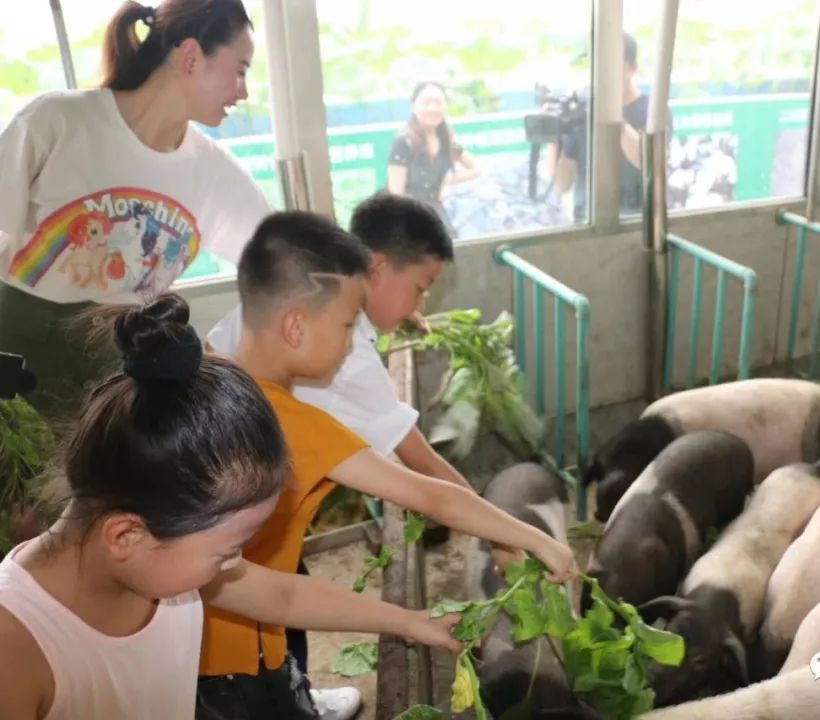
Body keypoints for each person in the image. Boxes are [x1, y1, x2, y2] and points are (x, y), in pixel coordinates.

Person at [0, 294, 462, 720]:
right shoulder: (17, 654)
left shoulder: (157, 561)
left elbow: (282, 595)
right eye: (226, 552)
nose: (235, 564)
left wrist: (413, 623)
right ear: (127, 535)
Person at [197, 209, 577, 719]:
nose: (356, 339)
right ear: (296, 326)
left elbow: (283, 595)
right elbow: (431, 492)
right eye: (349, 324)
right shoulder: (291, 422)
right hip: (224, 657)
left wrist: (407, 620)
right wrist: (529, 539)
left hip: (231, 616)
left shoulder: (230, 378)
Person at [0, 0, 272, 421]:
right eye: (240, 69)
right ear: (191, 57)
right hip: (16, 356)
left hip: (117, 378)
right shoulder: (58, 121)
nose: (244, 91)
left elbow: (280, 259)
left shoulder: (214, 173)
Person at [551, 32, 665, 221]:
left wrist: (611, 113)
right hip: (587, 223)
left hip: (636, 223)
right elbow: (561, 185)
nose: (600, 72)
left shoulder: (653, 110)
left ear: (632, 67)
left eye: (608, 64)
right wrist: (554, 135)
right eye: (594, 64)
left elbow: (647, 162)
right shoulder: (582, 110)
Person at [387, 81, 480, 235]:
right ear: (413, 106)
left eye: (438, 103)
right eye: (426, 102)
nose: (432, 108)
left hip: (436, 212)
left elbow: (476, 168)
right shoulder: (403, 142)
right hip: (410, 215)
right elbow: (396, 194)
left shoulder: (446, 141)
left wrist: (445, 181)